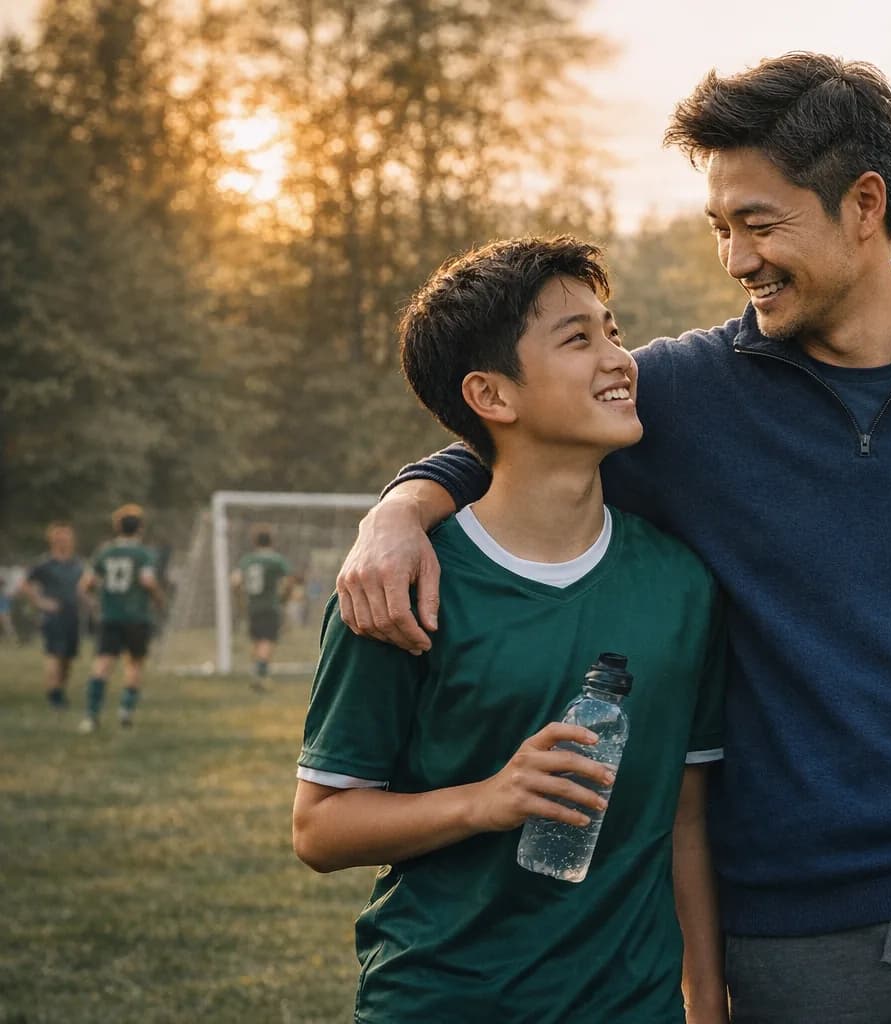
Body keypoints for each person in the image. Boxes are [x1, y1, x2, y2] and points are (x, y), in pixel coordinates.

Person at [335, 54, 891, 1022]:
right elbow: (515, 440)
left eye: (760, 224)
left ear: (864, 204)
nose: (735, 259)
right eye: (720, 228)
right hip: (804, 938)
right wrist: (398, 509)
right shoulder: (683, 395)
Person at [291, 237, 728, 1023]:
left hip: (635, 1008)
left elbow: (685, 820)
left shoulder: (683, 585)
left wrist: (706, 1006)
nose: (620, 359)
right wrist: (486, 801)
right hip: (442, 1001)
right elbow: (321, 827)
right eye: (579, 338)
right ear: (492, 396)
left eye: (614, 330)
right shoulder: (402, 586)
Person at [77, 505, 163, 732]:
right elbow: (147, 581)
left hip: (110, 616)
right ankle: (126, 710)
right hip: (136, 616)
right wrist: (158, 598)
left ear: (117, 527)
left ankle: (91, 715)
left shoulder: (104, 552)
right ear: (140, 529)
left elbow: (85, 585)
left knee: (103, 663)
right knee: (134, 664)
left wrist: (95, 603)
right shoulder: (144, 554)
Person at [22, 522, 87, 709]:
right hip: (54, 615)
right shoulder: (44, 564)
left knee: (68, 658)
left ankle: (60, 690)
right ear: (53, 540)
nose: (65, 541)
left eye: (67, 538)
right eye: (60, 538)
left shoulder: (77, 564)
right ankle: (54, 695)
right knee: (55, 654)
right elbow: (25, 585)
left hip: (72, 614)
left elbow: (80, 588)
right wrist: (41, 602)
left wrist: (90, 603)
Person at [232, 526, 291, 690]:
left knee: (257, 641)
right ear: (272, 540)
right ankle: (260, 676)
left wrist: (241, 599)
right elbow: (288, 582)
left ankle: (257, 673)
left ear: (254, 541)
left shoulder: (247, 560)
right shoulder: (276, 560)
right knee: (267, 640)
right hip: (269, 605)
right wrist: (284, 598)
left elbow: (235, 581)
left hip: (252, 606)